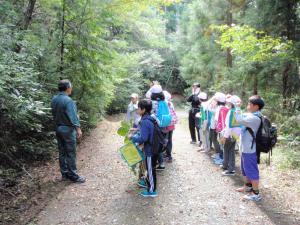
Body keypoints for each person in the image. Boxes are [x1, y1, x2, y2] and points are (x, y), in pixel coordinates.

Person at [51, 80, 85, 183]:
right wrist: (78, 129)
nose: (71, 89)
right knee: (70, 152)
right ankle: (73, 176)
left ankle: (64, 173)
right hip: (68, 129)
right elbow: (73, 117)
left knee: (62, 152)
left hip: (58, 128)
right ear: (67, 88)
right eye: (71, 87)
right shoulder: (68, 101)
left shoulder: (54, 99)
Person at [234, 95, 264, 201]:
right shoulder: (252, 115)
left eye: (249, 104)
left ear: (256, 106)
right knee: (245, 169)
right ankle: (248, 187)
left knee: (251, 170)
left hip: (250, 149)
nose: (248, 105)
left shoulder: (255, 118)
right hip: (245, 148)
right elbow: (243, 116)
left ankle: (256, 194)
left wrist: (237, 107)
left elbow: (238, 119)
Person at [131, 99, 158, 198]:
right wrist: (137, 129)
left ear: (143, 109)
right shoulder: (149, 118)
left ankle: (152, 191)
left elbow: (143, 138)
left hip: (150, 150)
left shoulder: (145, 121)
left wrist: (133, 137)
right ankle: (148, 183)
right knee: (150, 168)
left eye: (139, 108)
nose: (137, 109)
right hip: (153, 148)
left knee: (150, 170)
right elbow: (147, 132)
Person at [219, 95, 241, 176]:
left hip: (230, 134)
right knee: (231, 150)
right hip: (235, 134)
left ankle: (229, 169)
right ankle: (227, 166)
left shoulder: (232, 111)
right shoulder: (238, 110)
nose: (228, 103)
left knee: (227, 149)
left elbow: (229, 126)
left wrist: (225, 136)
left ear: (232, 103)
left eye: (229, 102)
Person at [163, 90, 178, 162]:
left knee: (165, 140)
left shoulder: (163, 104)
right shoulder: (170, 103)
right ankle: (169, 155)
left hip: (165, 125)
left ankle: (166, 155)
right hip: (171, 125)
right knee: (169, 140)